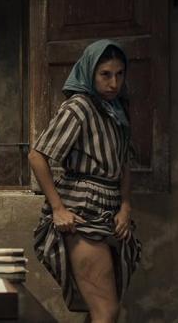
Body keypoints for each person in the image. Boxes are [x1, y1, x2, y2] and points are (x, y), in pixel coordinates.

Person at [29, 40, 141, 322]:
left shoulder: (117, 109)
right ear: (90, 72)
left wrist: (125, 207)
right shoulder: (79, 107)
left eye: (119, 74)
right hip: (83, 212)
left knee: (100, 310)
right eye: (105, 74)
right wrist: (58, 209)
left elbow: (124, 164)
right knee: (106, 310)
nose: (114, 83)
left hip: (111, 212)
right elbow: (36, 155)